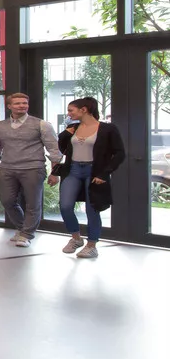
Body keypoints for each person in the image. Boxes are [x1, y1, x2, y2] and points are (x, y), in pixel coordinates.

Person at [0, 91, 64, 246]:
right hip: (7, 168)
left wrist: (55, 173)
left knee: (33, 204)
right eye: (18, 103)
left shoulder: (42, 124)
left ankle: (26, 234)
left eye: (25, 103)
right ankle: (22, 228)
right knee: (7, 201)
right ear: (9, 106)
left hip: (33, 168)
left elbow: (55, 150)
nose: (22, 106)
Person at [51, 96, 124, 259]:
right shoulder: (73, 128)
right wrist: (64, 133)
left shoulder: (107, 129)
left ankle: (92, 245)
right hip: (73, 170)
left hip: (94, 172)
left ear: (83, 110)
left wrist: (105, 173)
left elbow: (119, 154)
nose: (68, 114)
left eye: (71, 110)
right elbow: (61, 148)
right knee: (65, 206)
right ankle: (76, 239)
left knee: (92, 210)